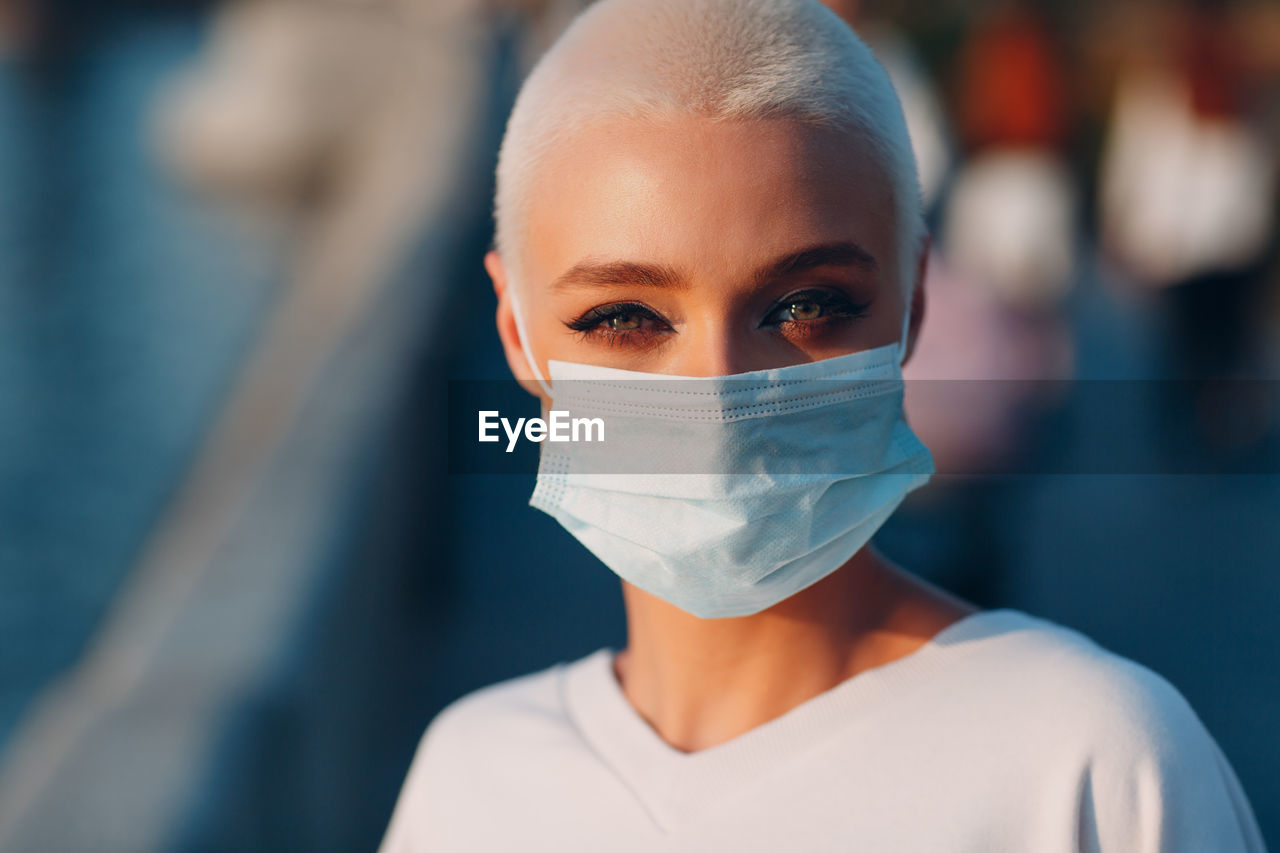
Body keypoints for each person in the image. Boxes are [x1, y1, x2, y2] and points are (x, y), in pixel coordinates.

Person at [381, 0, 1266, 849]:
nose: (720, 396)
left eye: (805, 304)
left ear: (914, 303)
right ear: (517, 336)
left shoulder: (1093, 763)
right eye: (625, 317)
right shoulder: (471, 778)